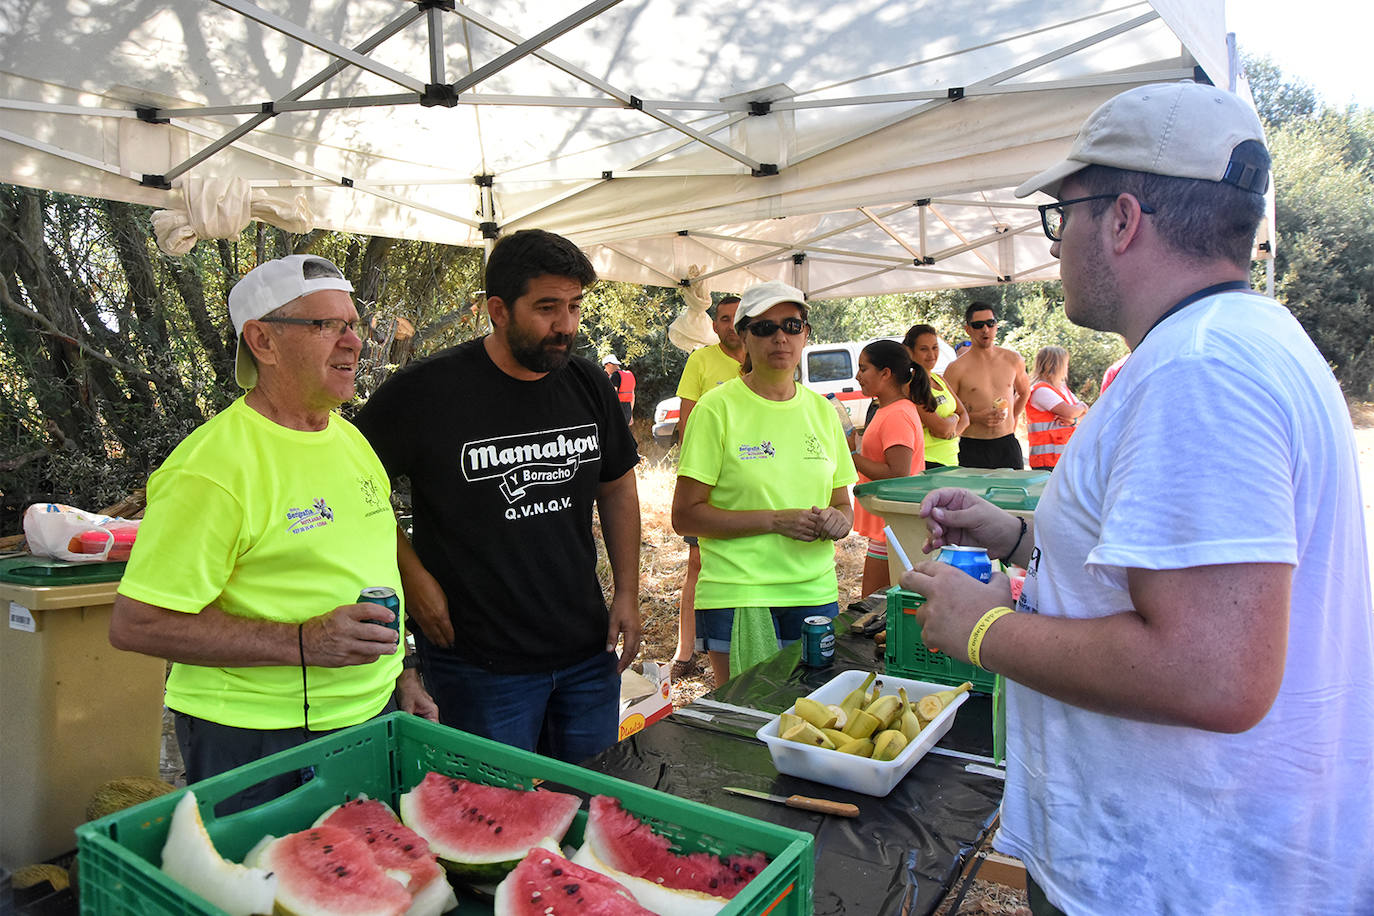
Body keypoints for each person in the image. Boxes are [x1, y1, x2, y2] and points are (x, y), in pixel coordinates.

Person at [902, 82, 1373, 914]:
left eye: (1063, 217)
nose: (1057, 246)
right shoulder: (1240, 338)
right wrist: (1019, 536)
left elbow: (1213, 673)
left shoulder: (1200, 370)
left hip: (1183, 878)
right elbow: (1164, 573)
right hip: (1204, 861)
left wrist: (981, 627)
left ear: (1121, 220)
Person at [108, 254, 438, 811]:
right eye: (327, 325)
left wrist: (403, 675)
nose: (353, 342)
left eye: (353, 324)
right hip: (255, 739)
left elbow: (371, 573)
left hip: (370, 715)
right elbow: (136, 623)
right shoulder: (211, 469)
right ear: (262, 340)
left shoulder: (351, 442)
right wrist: (303, 642)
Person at [354, 229, 642, 764]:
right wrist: (412, 576)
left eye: (575, 306)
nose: (566, 325)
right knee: (494, 808)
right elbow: (353, 490)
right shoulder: (425, 392)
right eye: (547, 308)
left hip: (586, 652)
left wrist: (628, 590)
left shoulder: (587, 383)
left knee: (590, 800)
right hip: (477, 661)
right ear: (498, 310)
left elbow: (618, 484)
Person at [671, 280, 855, 685]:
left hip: (814, 592)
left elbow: (843, 504)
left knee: (814, 708)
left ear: (805, 334)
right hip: (739, 593)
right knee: (748, 712)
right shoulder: (716, 409)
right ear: (744, 337)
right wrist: (774, 521)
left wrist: (839, 520)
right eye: (765, 327)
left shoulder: (823, 412)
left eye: (792, 325)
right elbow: (685, 517)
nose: (780, 337)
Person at [670, 294, 745, 680]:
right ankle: (686, 652)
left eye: (737, 317)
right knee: (698, 564)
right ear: (714, 326)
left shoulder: (762, 360)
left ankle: (740, 647)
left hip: (749, 487)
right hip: (709, 485)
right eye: (724, 318)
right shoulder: (700, 361)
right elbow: (687, 425)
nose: (731, 325)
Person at [851, 340, 934, 597]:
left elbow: (898, 474)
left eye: (863, 369)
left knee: (871, 603)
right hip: (886, 523)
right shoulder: (887, 409)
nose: (857, 376)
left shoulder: (897, 413)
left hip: (891, 525)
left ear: (885, 373)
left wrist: (851, 455)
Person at [940, 302, 1030, 469]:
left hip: (1007, 444)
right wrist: (976, 417)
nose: (985, 329)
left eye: (990, 323)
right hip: (973, 445)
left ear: (996, 326)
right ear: (968, 329)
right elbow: (946, 411)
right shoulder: (956, 368)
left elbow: (1024, 392)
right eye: (978, 325)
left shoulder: (1013, 360)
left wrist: (1012, 417)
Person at [903, 324, 969, 469]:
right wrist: (955, 418)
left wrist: (952, 432)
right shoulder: (911, 385)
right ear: (910, 351)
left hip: (951, 461)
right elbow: (941, 429)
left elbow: (965, 416)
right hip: (928, 463)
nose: (931, 354)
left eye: (935, 348)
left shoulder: (939, 379)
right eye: (923, 349)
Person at [1025, 346, 1086, 470]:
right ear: (1057, 365)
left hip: (1064, 457)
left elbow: (1085, 415)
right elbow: (1070, 412)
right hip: (1047, 460)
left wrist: (1075, 420)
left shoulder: (1062, 388)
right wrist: (1082, 406)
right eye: (1065, 364)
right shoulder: (1041, 390)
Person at [603, 353, 635, 425]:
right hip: (627, 411)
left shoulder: (615, 376)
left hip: (617, 410)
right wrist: (630, 414)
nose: (605, 369)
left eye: (605, 366)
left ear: (609, 364)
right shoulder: (629, 375)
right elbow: (633, 396)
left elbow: (612, 396)